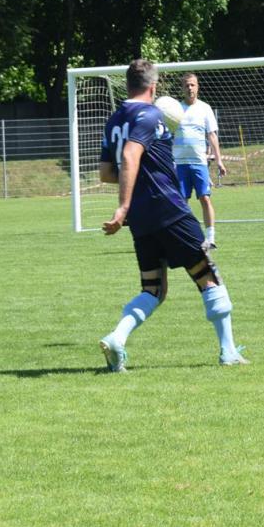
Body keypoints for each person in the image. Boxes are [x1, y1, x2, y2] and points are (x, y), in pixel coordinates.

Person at [98, 59, 245, 371]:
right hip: (169, 209)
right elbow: (130, 156)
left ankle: (117, 338)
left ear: (128, 85)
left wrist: (134, 191)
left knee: (153, 288)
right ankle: (228, 351)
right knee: (207, 275)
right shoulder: (151, 114)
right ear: (153, 87)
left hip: (142, 219)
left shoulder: (113, 121)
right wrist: (122, 206)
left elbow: (107, 173)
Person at [173, 72, 227, 250]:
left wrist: (219, 161)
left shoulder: (205, 108)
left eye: (192, 85)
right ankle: (182, 237)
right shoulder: (175, 110)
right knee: (181, 203)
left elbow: (212, 135)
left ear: (197, 87)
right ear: (182, 88)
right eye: (186, 85)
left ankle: (210, 238)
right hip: (180, 164)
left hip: (199, 163)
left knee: (205, 198)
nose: (190, 88)